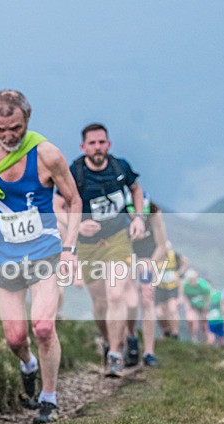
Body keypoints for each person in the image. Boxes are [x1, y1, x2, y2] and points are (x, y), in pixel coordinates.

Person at [0, 90, 81, 424]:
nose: (9, 136)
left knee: (42, 326)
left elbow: (74, 199)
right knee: (15, 338)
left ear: (27, 120)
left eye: (16, 128)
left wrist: (69, 249)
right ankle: (28, 365)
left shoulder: (47, 154)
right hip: (3, 256)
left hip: (44, 252)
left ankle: (49, 398)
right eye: (1, 129)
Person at [53, 123, 146, 378]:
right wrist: (79, 225)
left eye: (102, 142)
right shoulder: (75, 173)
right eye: (92, 143)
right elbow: (57, 205)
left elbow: (136, 189)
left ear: (109, 144)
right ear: (84, 147)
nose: (98, 147)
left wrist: (138, 217)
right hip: (88, 245)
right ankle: (107, 340)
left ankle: (116, 353)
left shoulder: (120, 167)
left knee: (116, 294)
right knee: (100, 300)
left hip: (117, 238)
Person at [124, 192, 167, 366]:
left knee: (147, 299)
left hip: (148, 258)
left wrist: (151, 265)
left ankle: (149, 352)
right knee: (129, 300)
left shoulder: (155, 213)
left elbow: (162, 245)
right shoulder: (120, 213)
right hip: (126, 257)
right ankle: (131, 335)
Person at [155, 241, 188, 339]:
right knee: (160, 313)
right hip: (160, 287)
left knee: (172, 310)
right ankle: (166, 330)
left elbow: (185, 261)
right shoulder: (156, 257)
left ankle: (175, 333)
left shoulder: (174, 256)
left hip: (172, 287)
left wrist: (180, 273)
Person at [182, 269, 212, 344]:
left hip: (203, 307)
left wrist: (205, 310)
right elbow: (185, 296)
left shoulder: (203, 285)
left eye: (193, 279)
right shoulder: (186, 286)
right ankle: (194, 338)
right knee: (192, 321)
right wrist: (187, 307)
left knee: (203, 325)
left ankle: (206, 340)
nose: (192, 281)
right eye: (190, 280)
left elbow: (208, 298)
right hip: (193, 306)